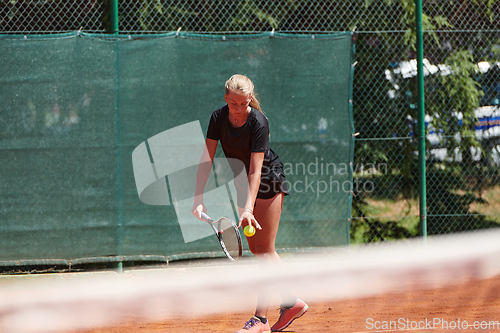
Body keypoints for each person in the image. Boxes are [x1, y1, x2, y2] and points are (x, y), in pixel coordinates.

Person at [192, 74, 308, 333]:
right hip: (241, 182)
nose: (239, 108)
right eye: (234, 103)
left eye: (244, 103)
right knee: (258, 250)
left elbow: (256, 170)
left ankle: (260, 319)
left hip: (267, 181)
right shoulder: (217, 118)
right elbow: (206, 159)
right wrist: (197, 198)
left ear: (250, 100)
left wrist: (247, 208)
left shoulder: (258, 121)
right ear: (226, 99)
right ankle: (291, 302)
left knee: (265, 249)